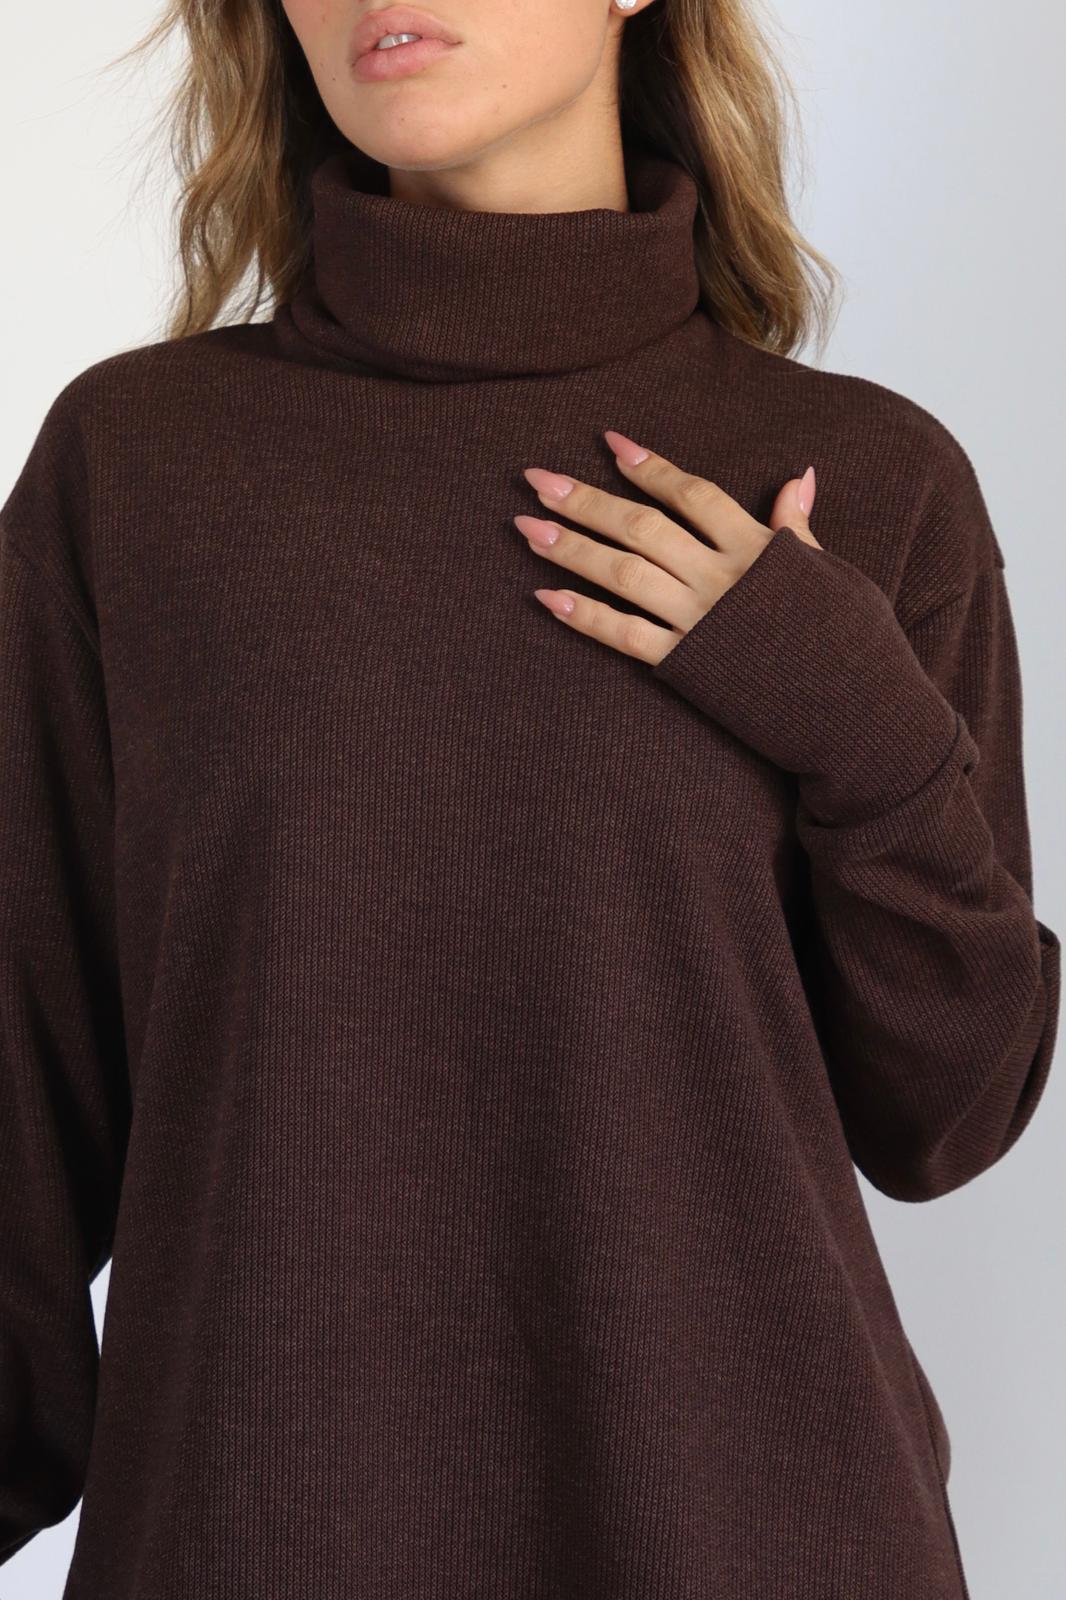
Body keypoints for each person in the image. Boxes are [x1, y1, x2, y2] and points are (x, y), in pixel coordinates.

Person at [0, 1, 1059, 1596]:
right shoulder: (138, 468)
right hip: (260, 1526)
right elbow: (18, 1100)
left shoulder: (863, 479)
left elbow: (947, 1116)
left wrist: (861, 729)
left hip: (751, 1540)